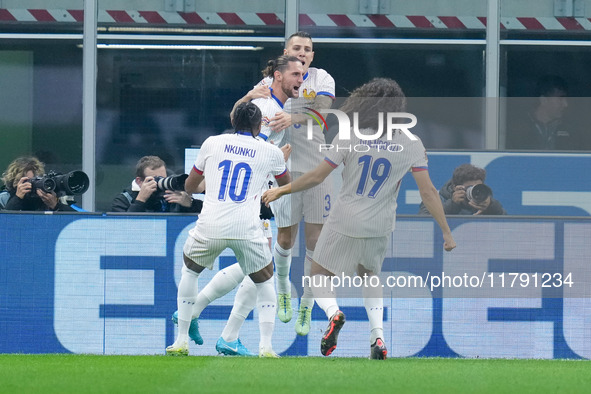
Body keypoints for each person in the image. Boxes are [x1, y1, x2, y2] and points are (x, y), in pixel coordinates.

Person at [262, 78, 457, 359]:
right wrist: (447, 233)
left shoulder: (350, 134)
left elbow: (317, 176)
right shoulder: (412, 142)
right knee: (370, 276)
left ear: (364, 103)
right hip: (380, 224)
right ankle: (377, 337)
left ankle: (333, 313)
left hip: (345, 219)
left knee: (317, 275)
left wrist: (282, 189)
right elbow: (428, 192)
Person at [170, 55, 303, 356]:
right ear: (279, 75)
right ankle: (234, 335)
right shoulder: (268, 109)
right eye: (296, 73)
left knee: (243, 270)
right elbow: (262, 158)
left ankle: (212, 327)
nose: (301, 79)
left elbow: (235, 126)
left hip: (218, 212)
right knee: (260, 271)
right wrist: (277, 162)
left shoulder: (222, 135)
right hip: (252, 204)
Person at [232, 31, 336, 335]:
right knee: (286, 239)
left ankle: (307, 304)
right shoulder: (270, 83)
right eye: (297, 48)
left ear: (312, 56)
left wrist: (294, 118)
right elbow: (238, 113)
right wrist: (249, 97)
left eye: (308, 49)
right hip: (282, 170)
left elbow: (324, 112)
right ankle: (283, 291)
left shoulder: (321, 78)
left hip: (317, 168)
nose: (302, 53)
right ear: (286, 52)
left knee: (315, 242)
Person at [111, 155, 202, 213]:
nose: (160, 183)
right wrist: (140, 200)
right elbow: (123, 228)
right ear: (139, 181)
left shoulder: (170, 191)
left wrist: (190, 203)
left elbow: (206, 215)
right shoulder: (123, 200)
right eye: (155, 179)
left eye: (162, 178)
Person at [506, 75, 575, 150]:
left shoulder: (569, 129)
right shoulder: (518, 128)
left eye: (566, 99)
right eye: (560, 99)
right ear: (543, 100)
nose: (566, 104)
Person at [418, 163, 506, 215]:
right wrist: (453, 205)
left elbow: (508, 225)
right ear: (454, 187)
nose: (474, 191)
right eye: (469, 188)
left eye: (477, 187)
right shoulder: (435, 200)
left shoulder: (483, 202)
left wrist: (490, 208)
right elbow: (424, 224)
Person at [0, 156, 76, 212]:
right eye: (27, 181)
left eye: (36, 180)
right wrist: (17, 199)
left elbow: (78, 223)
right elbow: (4, 223)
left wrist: (55, 205)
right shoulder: (3, 198)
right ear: (15, 182)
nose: (31, 185)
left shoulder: (47, 199)